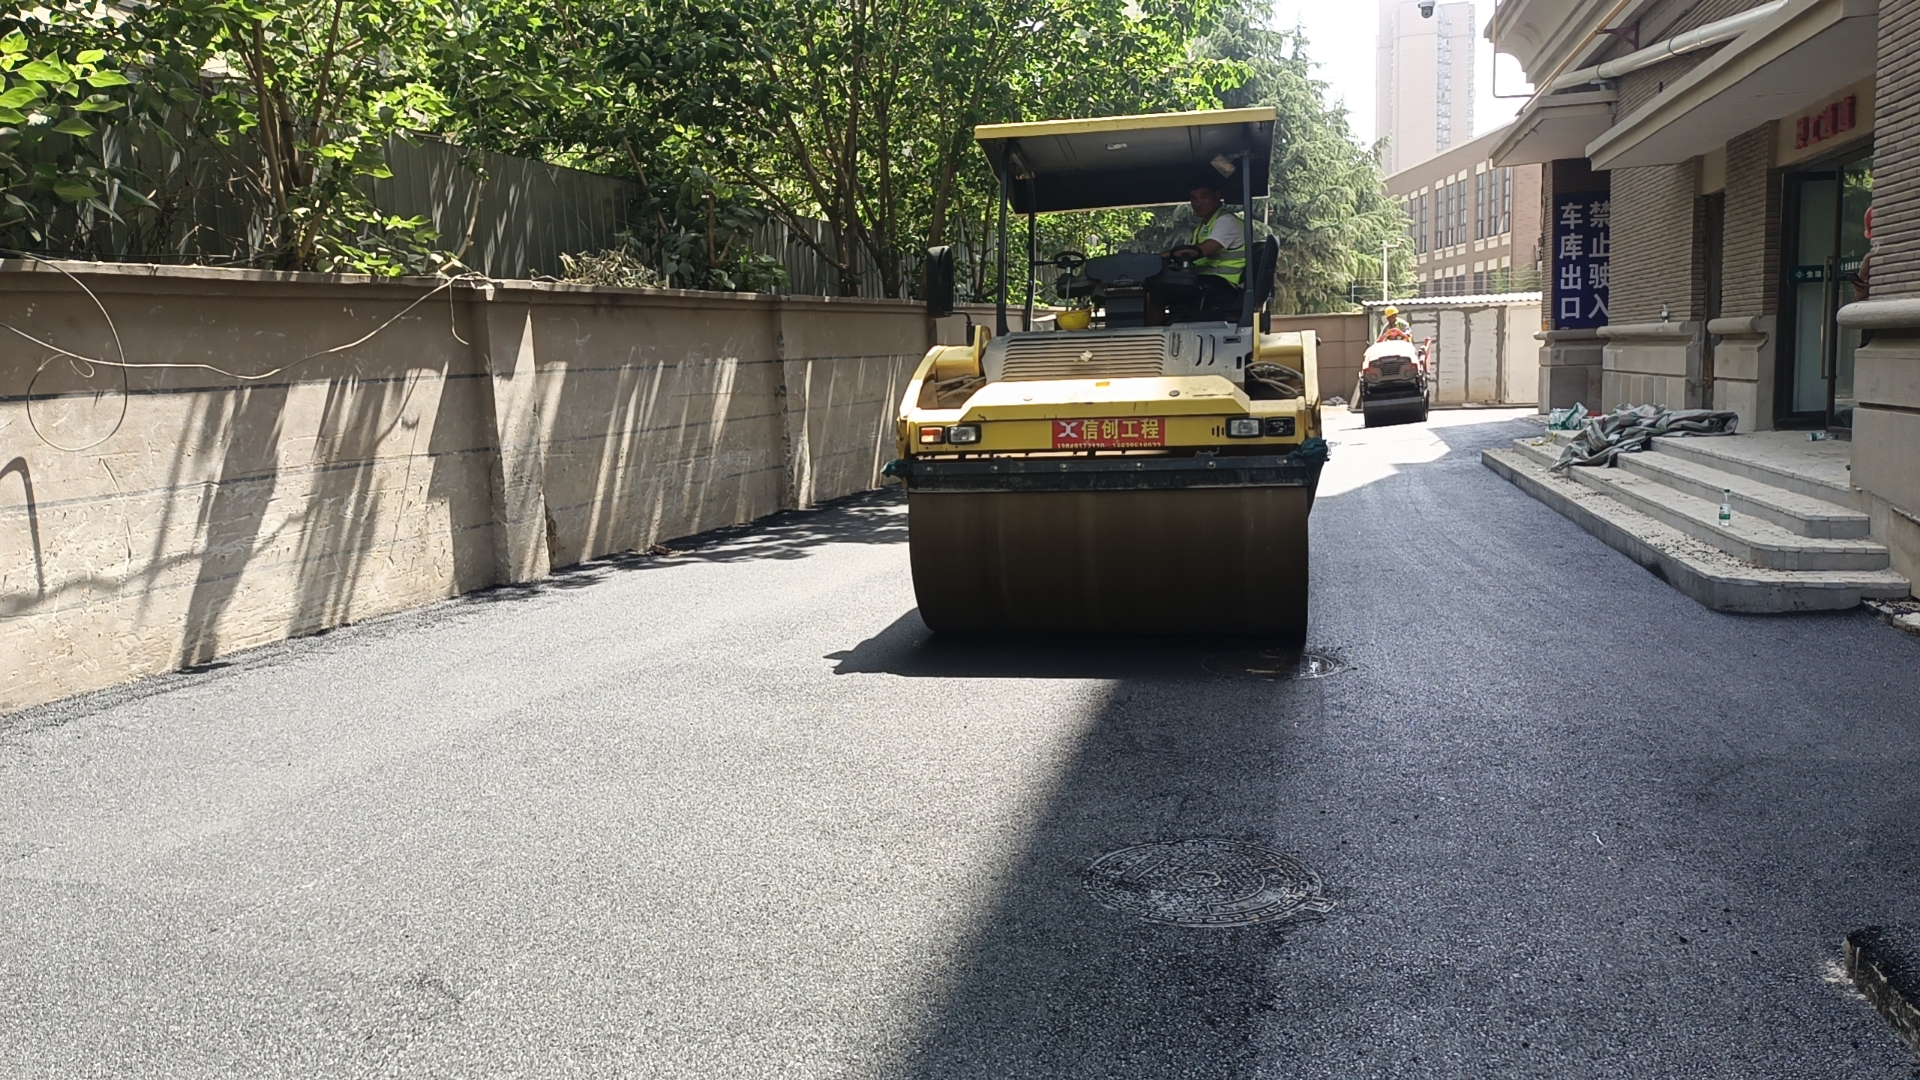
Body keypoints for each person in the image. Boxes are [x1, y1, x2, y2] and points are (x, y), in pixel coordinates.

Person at [1163, 174, 1246, 300]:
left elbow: (1204, 250)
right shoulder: (1203, 226)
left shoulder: (1227, 221)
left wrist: (1161, 256)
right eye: (1194, 198)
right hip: (1207, 281)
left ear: (1217, 196)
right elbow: (1197, 259)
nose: (1198, 203)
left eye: (1204, 196)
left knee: (1164, 289)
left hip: (1222, 285)